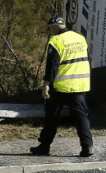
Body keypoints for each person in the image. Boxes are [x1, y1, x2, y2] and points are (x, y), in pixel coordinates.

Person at [30, 15, 94, 157]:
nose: (50, 32)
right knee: (81, 117)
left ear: (54, 27)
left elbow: (52, 66)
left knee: (52, 117)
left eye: (50, 29)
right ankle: (87, 147)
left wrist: (46, 84)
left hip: (62, 86)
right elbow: (87, 59)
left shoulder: (56, 41)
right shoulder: (80, 38)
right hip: (80, 85)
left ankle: (44, 147)